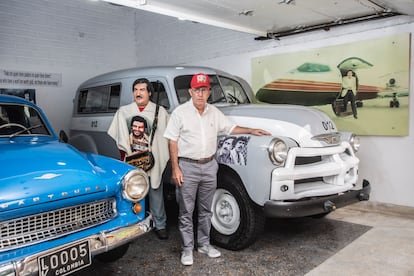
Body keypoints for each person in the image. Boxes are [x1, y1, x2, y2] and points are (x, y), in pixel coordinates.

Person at [163, 73, 271, 266]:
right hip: (187, 166)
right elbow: (172, 141)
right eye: (197, 90)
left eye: (204, 90)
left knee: (206, 209)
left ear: (209, 92)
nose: (200, 94)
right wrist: (176, 168)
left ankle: (204, 244)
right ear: (190, 91)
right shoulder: (180, 113)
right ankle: (187, 249)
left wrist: (251, 130)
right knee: (186, 210)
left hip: (210, 165)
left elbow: (230, 128)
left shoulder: (214, 112)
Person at [108, 78, 170, 240]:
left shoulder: (160, 112)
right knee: (131, 192)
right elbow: (120, 136)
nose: (138, 92)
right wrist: (126, 154)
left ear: (150, 93)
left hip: (152, 158)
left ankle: (160, 224)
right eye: (135, 89)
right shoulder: (124, 111)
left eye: (142, 89)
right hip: (132, 159)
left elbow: (167, 136)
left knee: (155, 191)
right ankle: (131, 225)